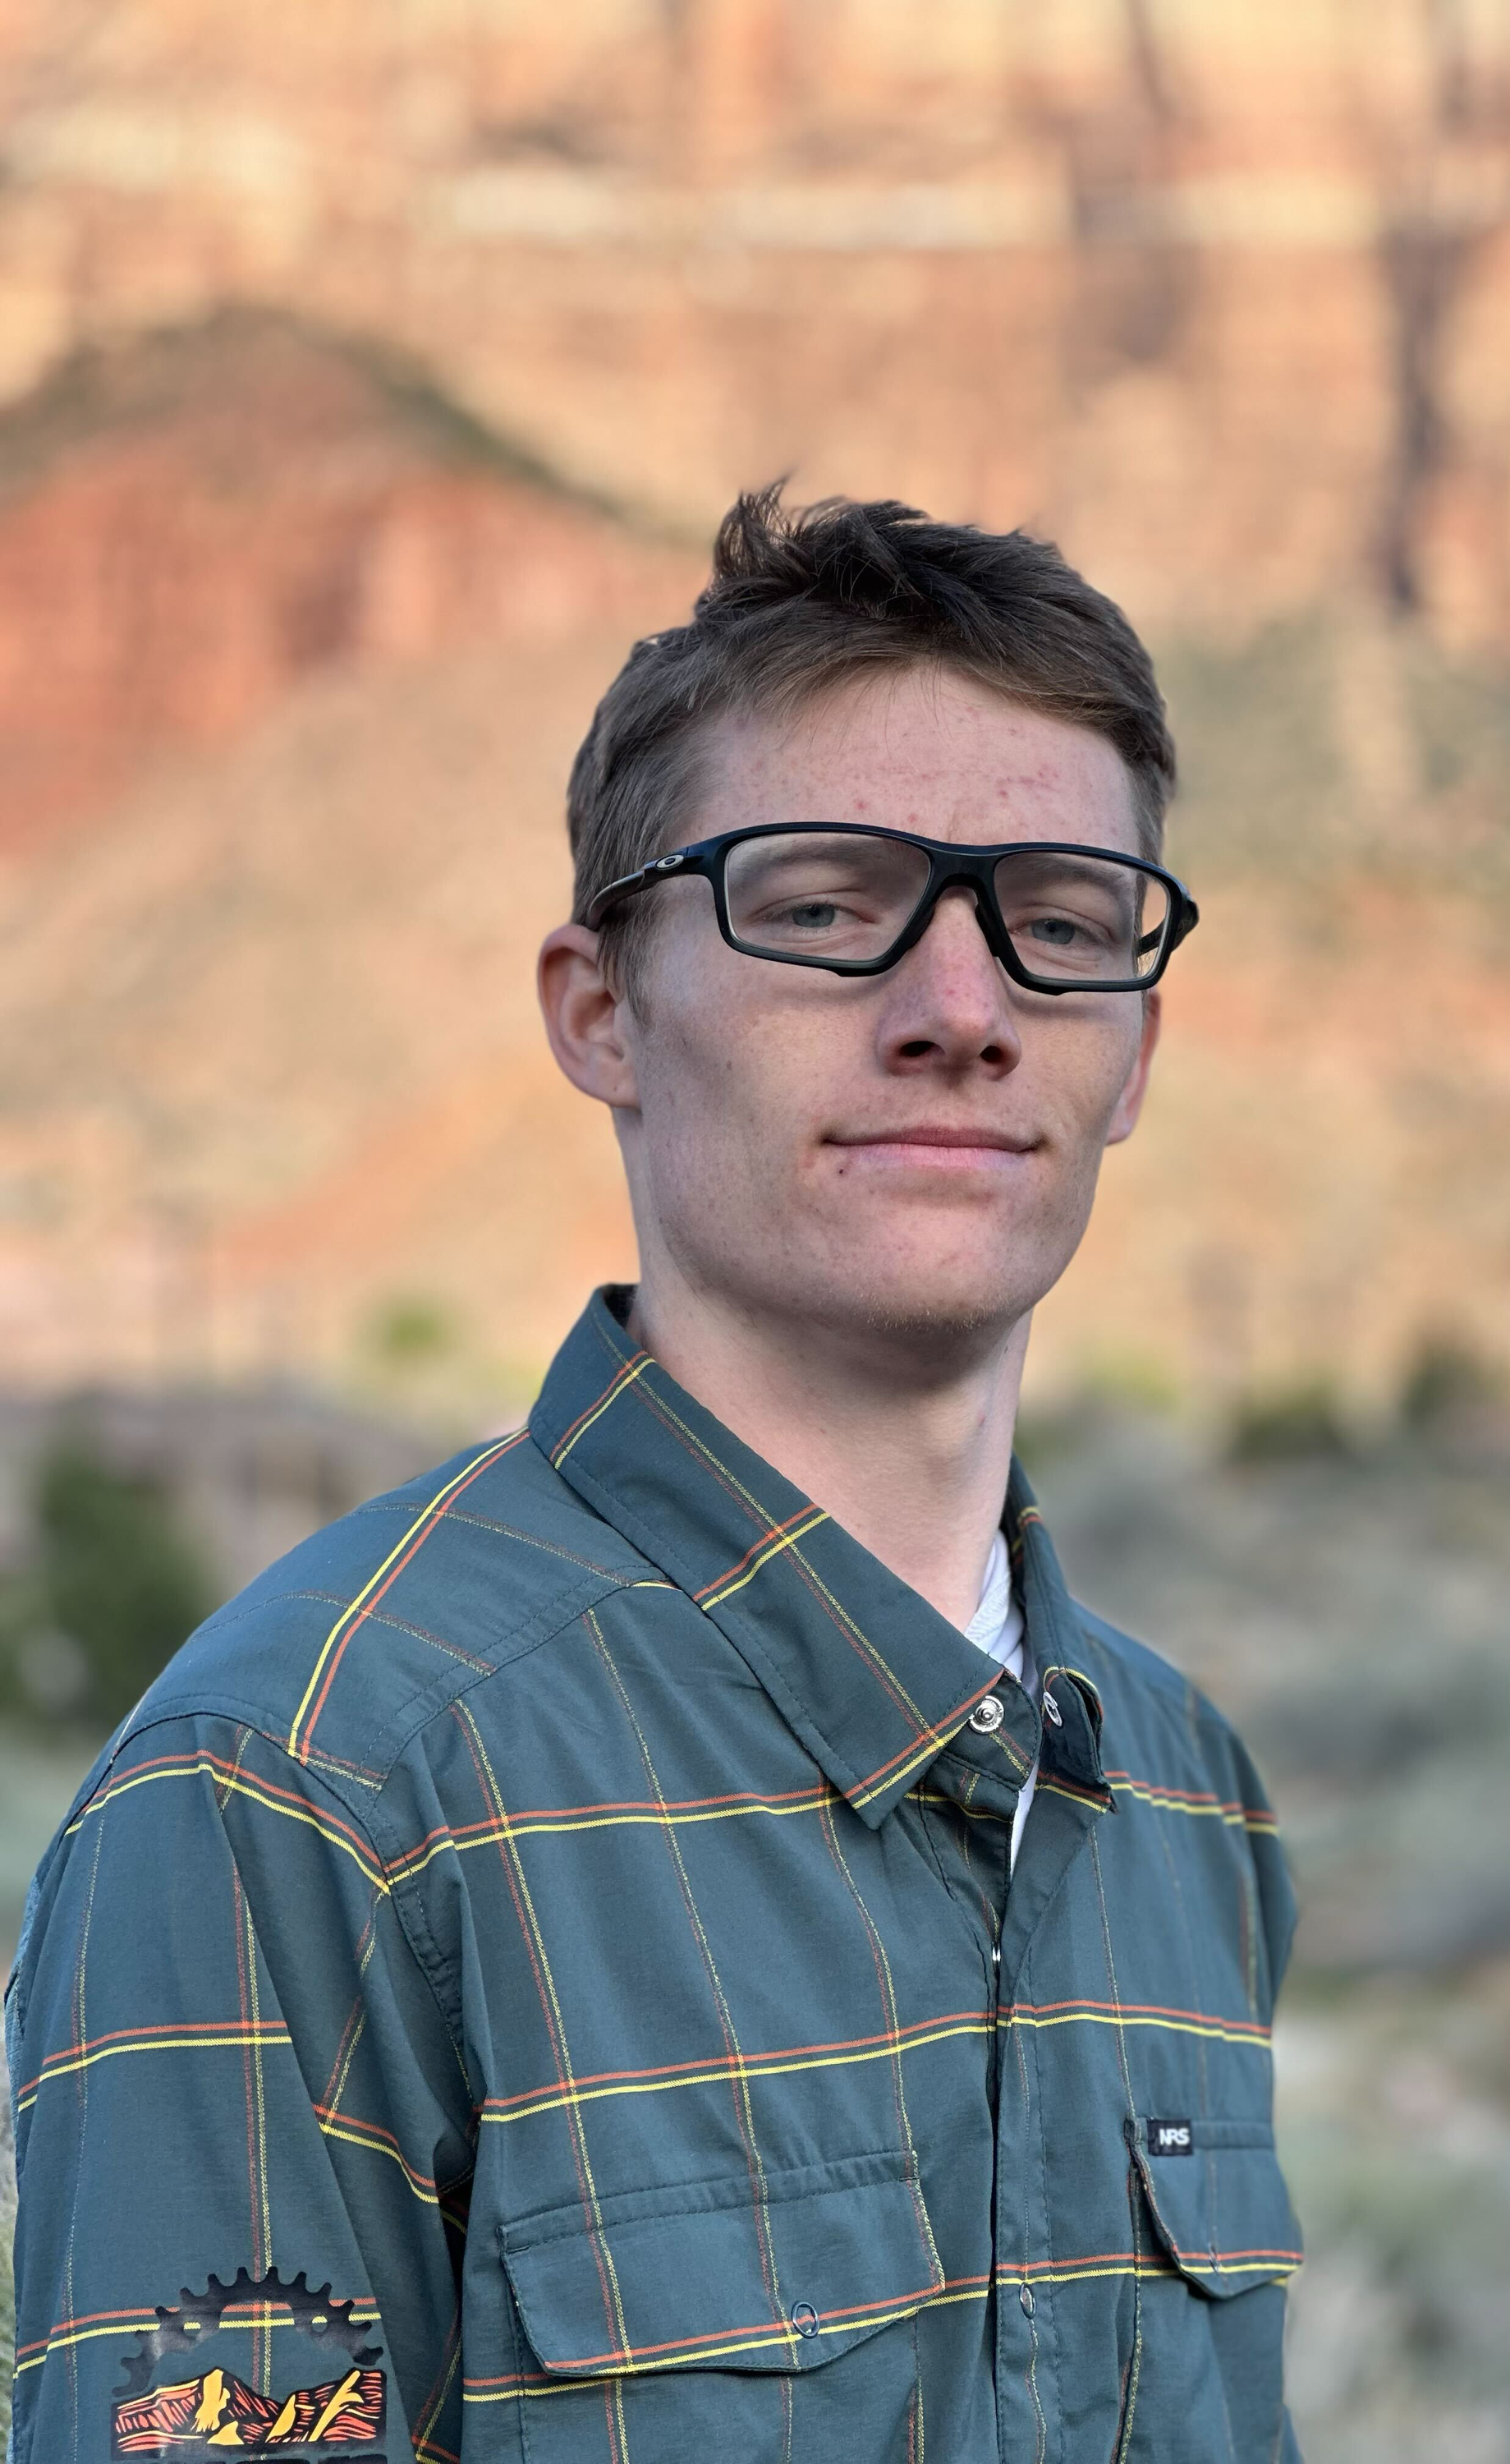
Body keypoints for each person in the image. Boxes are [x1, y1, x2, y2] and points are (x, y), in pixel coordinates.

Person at [5, 489, 1301, 2463]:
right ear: (600, 1013)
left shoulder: (1185, 1797)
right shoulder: (309, 1796)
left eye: (1054, 923)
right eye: (820, 902)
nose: (959, 1008)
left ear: (1133, 1051)